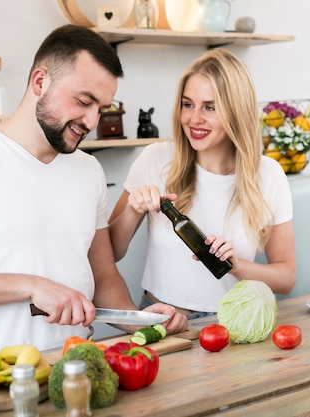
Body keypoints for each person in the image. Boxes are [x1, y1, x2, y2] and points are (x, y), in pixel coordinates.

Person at [0, 24, 187, 351]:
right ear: (40, 82)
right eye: (83, 101)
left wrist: (142, 319)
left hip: (79, 366)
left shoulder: (88, 170)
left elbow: (103, 276)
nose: (92, 122)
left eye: (101, 109)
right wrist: (32, 286)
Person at [108, 48, 296, 318]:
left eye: (210, 107)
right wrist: (132, 210)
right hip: (160, 320)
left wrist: (235, 266)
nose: (194, 119)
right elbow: (109, 253)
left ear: (236, 112)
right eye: (188, 104)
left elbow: (286, 277)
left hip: (232, 326)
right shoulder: (155, 159)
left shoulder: (268, 175)